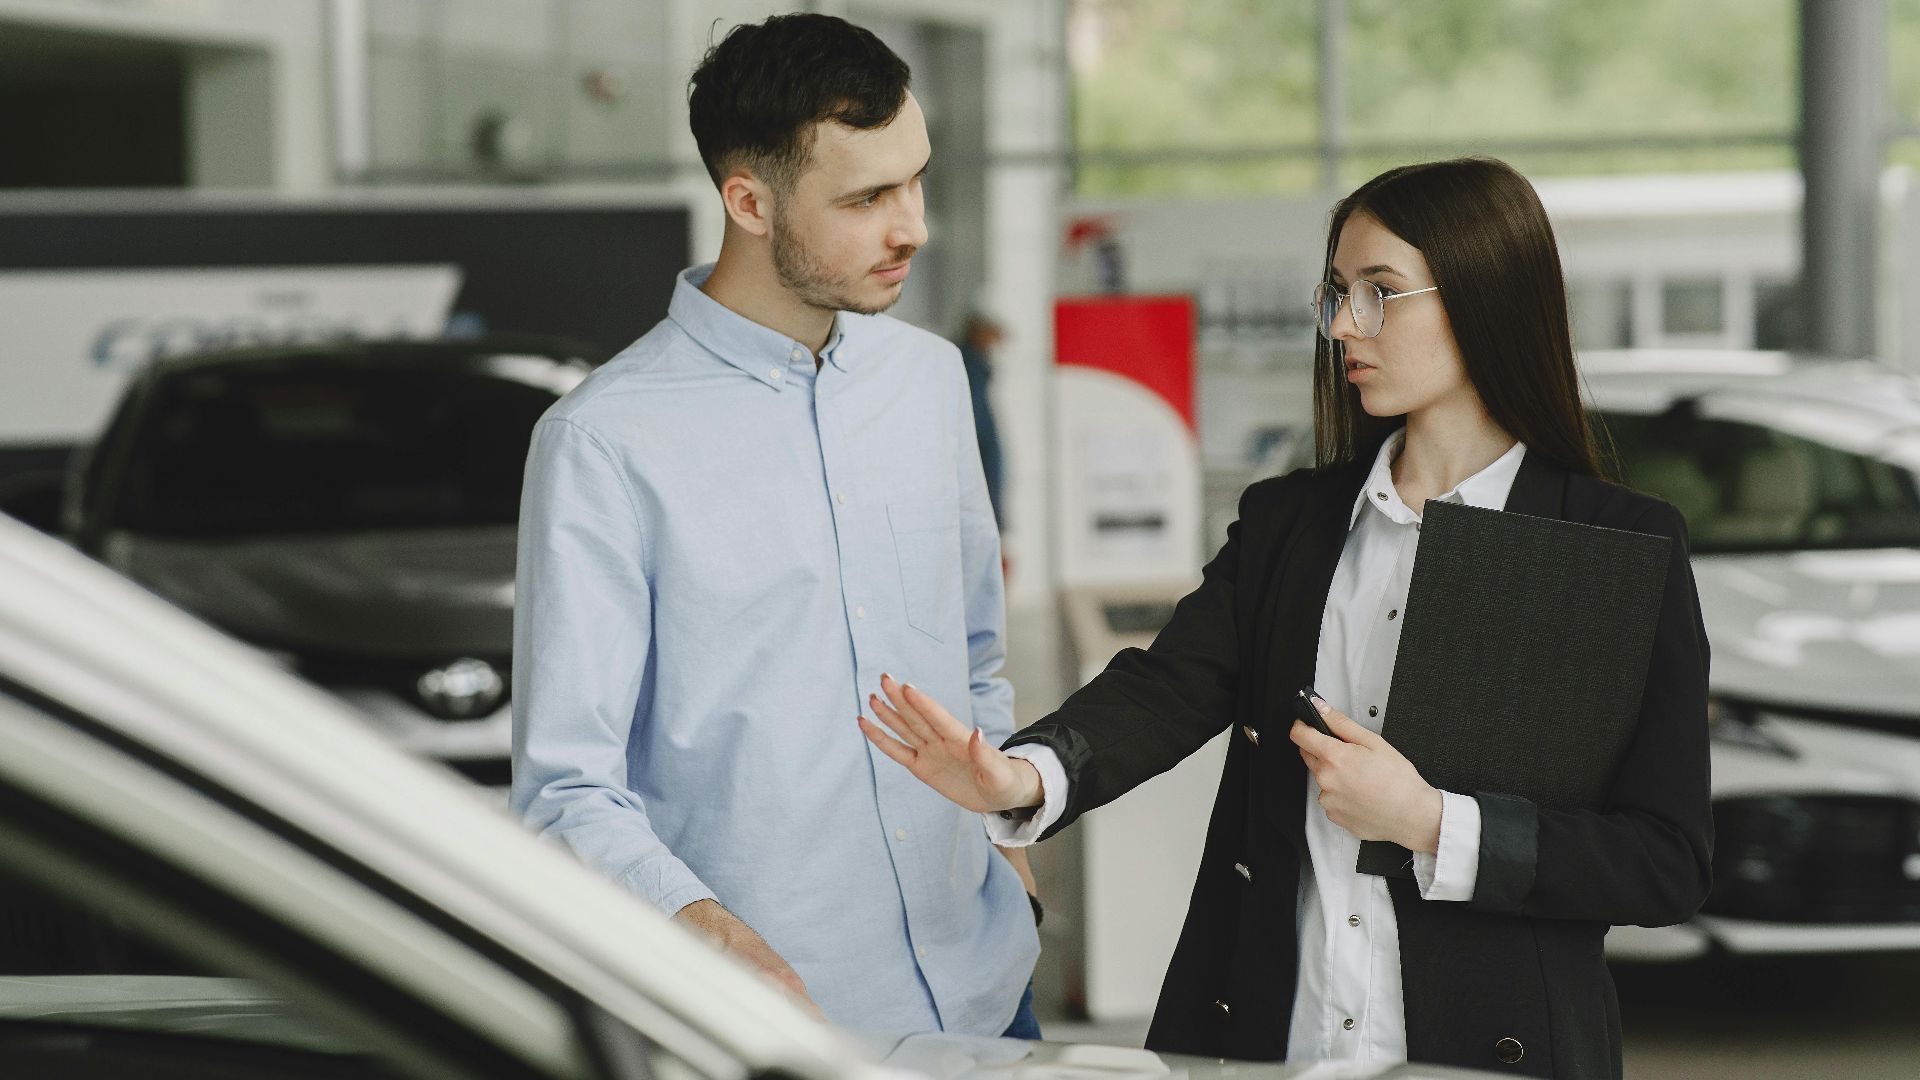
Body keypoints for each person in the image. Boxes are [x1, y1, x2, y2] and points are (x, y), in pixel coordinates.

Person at [860, 157, 1711, 1077]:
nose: (1345, 324)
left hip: (1494, 1051)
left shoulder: (1613, 545)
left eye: (1381, 293)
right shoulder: (1292, 522)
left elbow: (1663, 859)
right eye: (1339, 293)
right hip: (1265, 1043)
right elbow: (1167, 687)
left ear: (1485, 297)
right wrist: (1020, 779)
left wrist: (1431, 822)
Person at [511, 13, 1040, 1039]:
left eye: (916, 179)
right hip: (776, 1023)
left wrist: (1012, 870)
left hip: (985, 989)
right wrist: (706, 936)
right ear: (746, 202)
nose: (913, 226)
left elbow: (976, 660)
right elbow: (566, 786)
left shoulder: (931, 382)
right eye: (867, 198)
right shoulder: (604, 442)